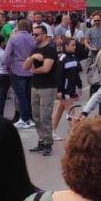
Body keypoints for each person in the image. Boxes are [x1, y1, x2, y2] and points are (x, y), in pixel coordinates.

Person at [27, 24, 59, 155]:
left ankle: (48, 143)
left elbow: (46, 68)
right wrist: (32, 58)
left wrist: (34, 70)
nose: (34, 36)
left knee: (45, 115)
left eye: (36, 34)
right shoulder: (35, 49)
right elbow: (25, 66)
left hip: (48, 86)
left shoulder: (50, 49)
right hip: (35, 86)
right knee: (36, 115)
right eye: (33, 34)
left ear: (44, 35)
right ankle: (41, 141)